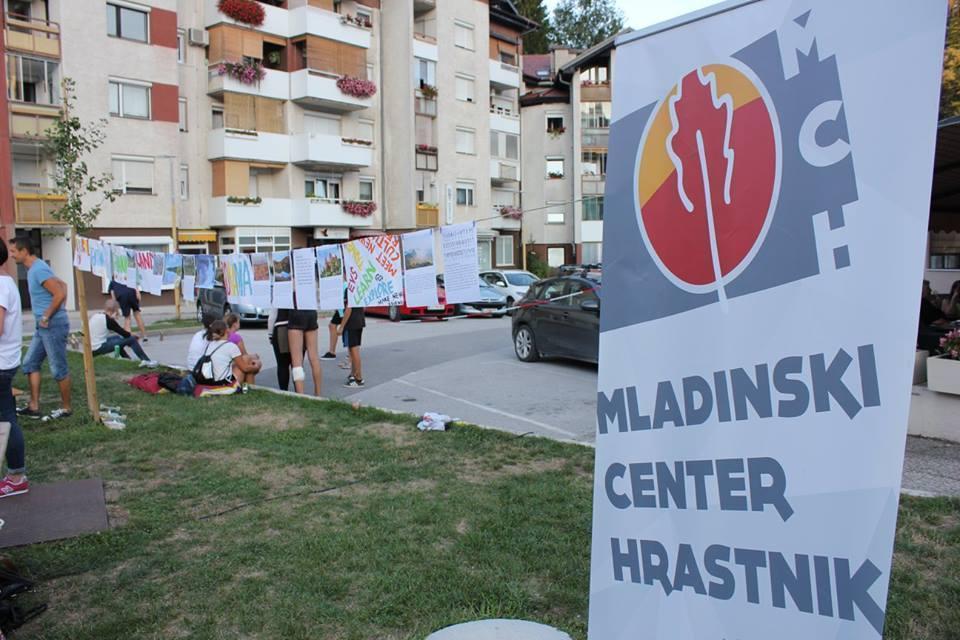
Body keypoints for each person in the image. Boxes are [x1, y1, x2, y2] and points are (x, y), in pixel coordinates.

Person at [10, 237, 72, 420]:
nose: (11, 255)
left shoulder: (38, 269)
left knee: (58, 367)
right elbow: (63, 286)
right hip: (43, 325)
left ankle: (66, 409)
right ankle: (34, 406)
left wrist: (48, 315)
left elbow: (59, 292)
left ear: (24, 251)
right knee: (30, 363)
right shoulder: (34, 269)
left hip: (51, 324)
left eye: (13, 251)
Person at [0, 242, 27, 497]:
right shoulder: (7, 282)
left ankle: (16, 476)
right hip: (6, 361)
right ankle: (16, 474)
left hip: (1, 362)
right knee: (7, 417)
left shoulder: (0, 285)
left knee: (6, 419)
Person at [193, 320, 261, 390]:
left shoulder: (210, 344)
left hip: (210, 381)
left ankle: (247, 389)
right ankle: (249, 389)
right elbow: (245, 368)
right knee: (247, 363)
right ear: (226, 331)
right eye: (228, 328)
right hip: (223, 383)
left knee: (246, 362)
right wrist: (255, 367)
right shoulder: (231, 346)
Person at [91, 300, 156, 364]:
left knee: (119, 338)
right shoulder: (109, 320)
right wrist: (133, 335)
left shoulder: (96, 315)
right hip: (98, 348)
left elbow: (121, 333)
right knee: (132, 339)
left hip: (91, 348)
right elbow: (125, 334)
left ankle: (127, 360)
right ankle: (147, 361)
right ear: (115, 310)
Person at [288, 308, 321, 396]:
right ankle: (318, 393)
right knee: (314, 357)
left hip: (296, 312)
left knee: (297, 361)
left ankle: (301, 395)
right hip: (311, 312)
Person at [919, 280, 951, 353]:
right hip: (933, 331)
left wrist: (937, 306)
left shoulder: (926, 301)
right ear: (921, 290)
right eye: (928, 288)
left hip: (939, 327)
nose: (930, 290)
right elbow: (935, 321)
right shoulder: (922, 302)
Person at [339, 301, 365, 387]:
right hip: (359, 320)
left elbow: (348, 309)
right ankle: (353, 374)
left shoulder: (349, 293)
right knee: (354, 350)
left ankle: (358, 378)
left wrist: (342, 326)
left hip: (351, 323)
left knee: (353, 351)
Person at [268, 308, 293, 391]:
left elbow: (272, 316)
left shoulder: (279, 299)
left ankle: (284, 391)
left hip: (281, 327)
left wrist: (270, 334)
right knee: (297, 364)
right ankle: (299, 390)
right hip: (299, 327)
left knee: (282, 365)